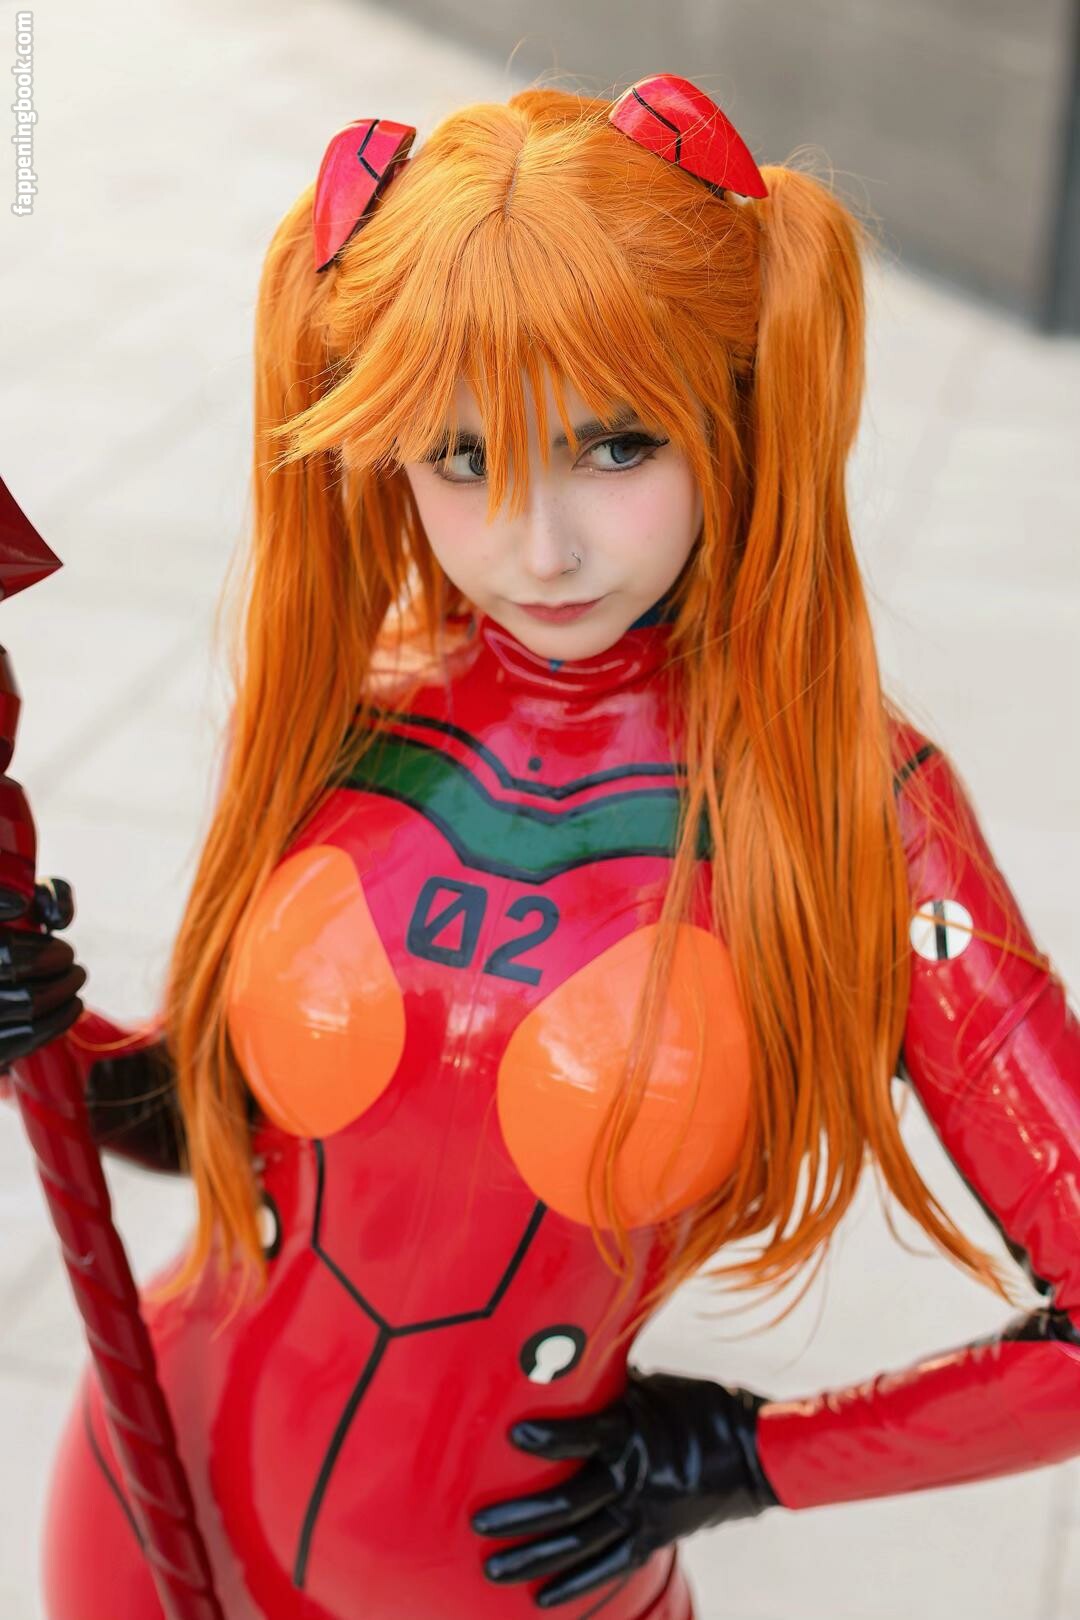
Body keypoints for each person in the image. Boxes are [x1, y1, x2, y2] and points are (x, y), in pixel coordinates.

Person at [2, 73, 1078, 1620]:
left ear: (733, 408)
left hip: (513, 1579)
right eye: (462, 459)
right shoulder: (363, 707)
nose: (541, 544)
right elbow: (220, 1121)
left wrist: (749, 1455)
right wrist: (48, 1033)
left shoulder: (858, 808)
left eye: (614, 446)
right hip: (153, 1489)